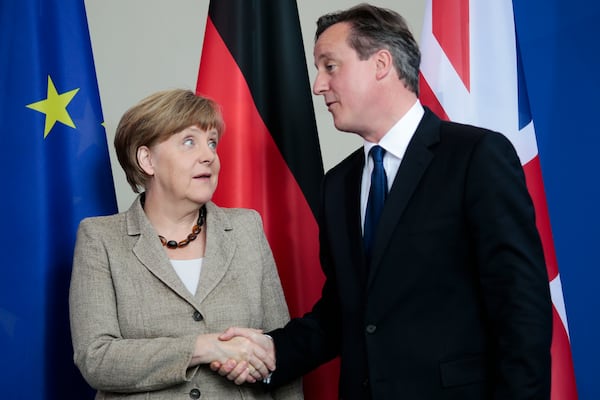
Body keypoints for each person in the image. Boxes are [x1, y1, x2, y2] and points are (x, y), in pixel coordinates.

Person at [213, 3, 552, 399]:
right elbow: (345, 312)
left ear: (381, 64)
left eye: (330, 66)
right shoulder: (338, 184)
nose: (318, 84)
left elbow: (520, 308)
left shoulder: (476, 156)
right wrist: (271, 351)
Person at [68, 89, 303, 399]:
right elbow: (96, 358)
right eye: (189, 142)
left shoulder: (247, 227)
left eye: (212, 142)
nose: (208, 155)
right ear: (147, 159)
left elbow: (279, 349)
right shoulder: (100, 239)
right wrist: (203, 347)